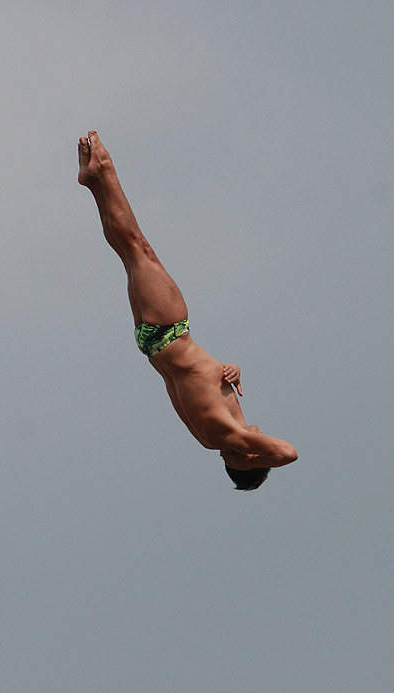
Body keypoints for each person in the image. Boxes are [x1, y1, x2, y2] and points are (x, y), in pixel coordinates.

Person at [78, 131, 297, 490]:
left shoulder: (231, 438)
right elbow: (195, 383)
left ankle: (104, 170)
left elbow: (289, 453)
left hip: (170, 331)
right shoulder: (214, 436)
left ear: (251, 458)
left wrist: (252, 454)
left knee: (137, 246)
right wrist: (231, 368)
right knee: (128, 251)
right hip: (155, 343)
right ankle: (94, 182)